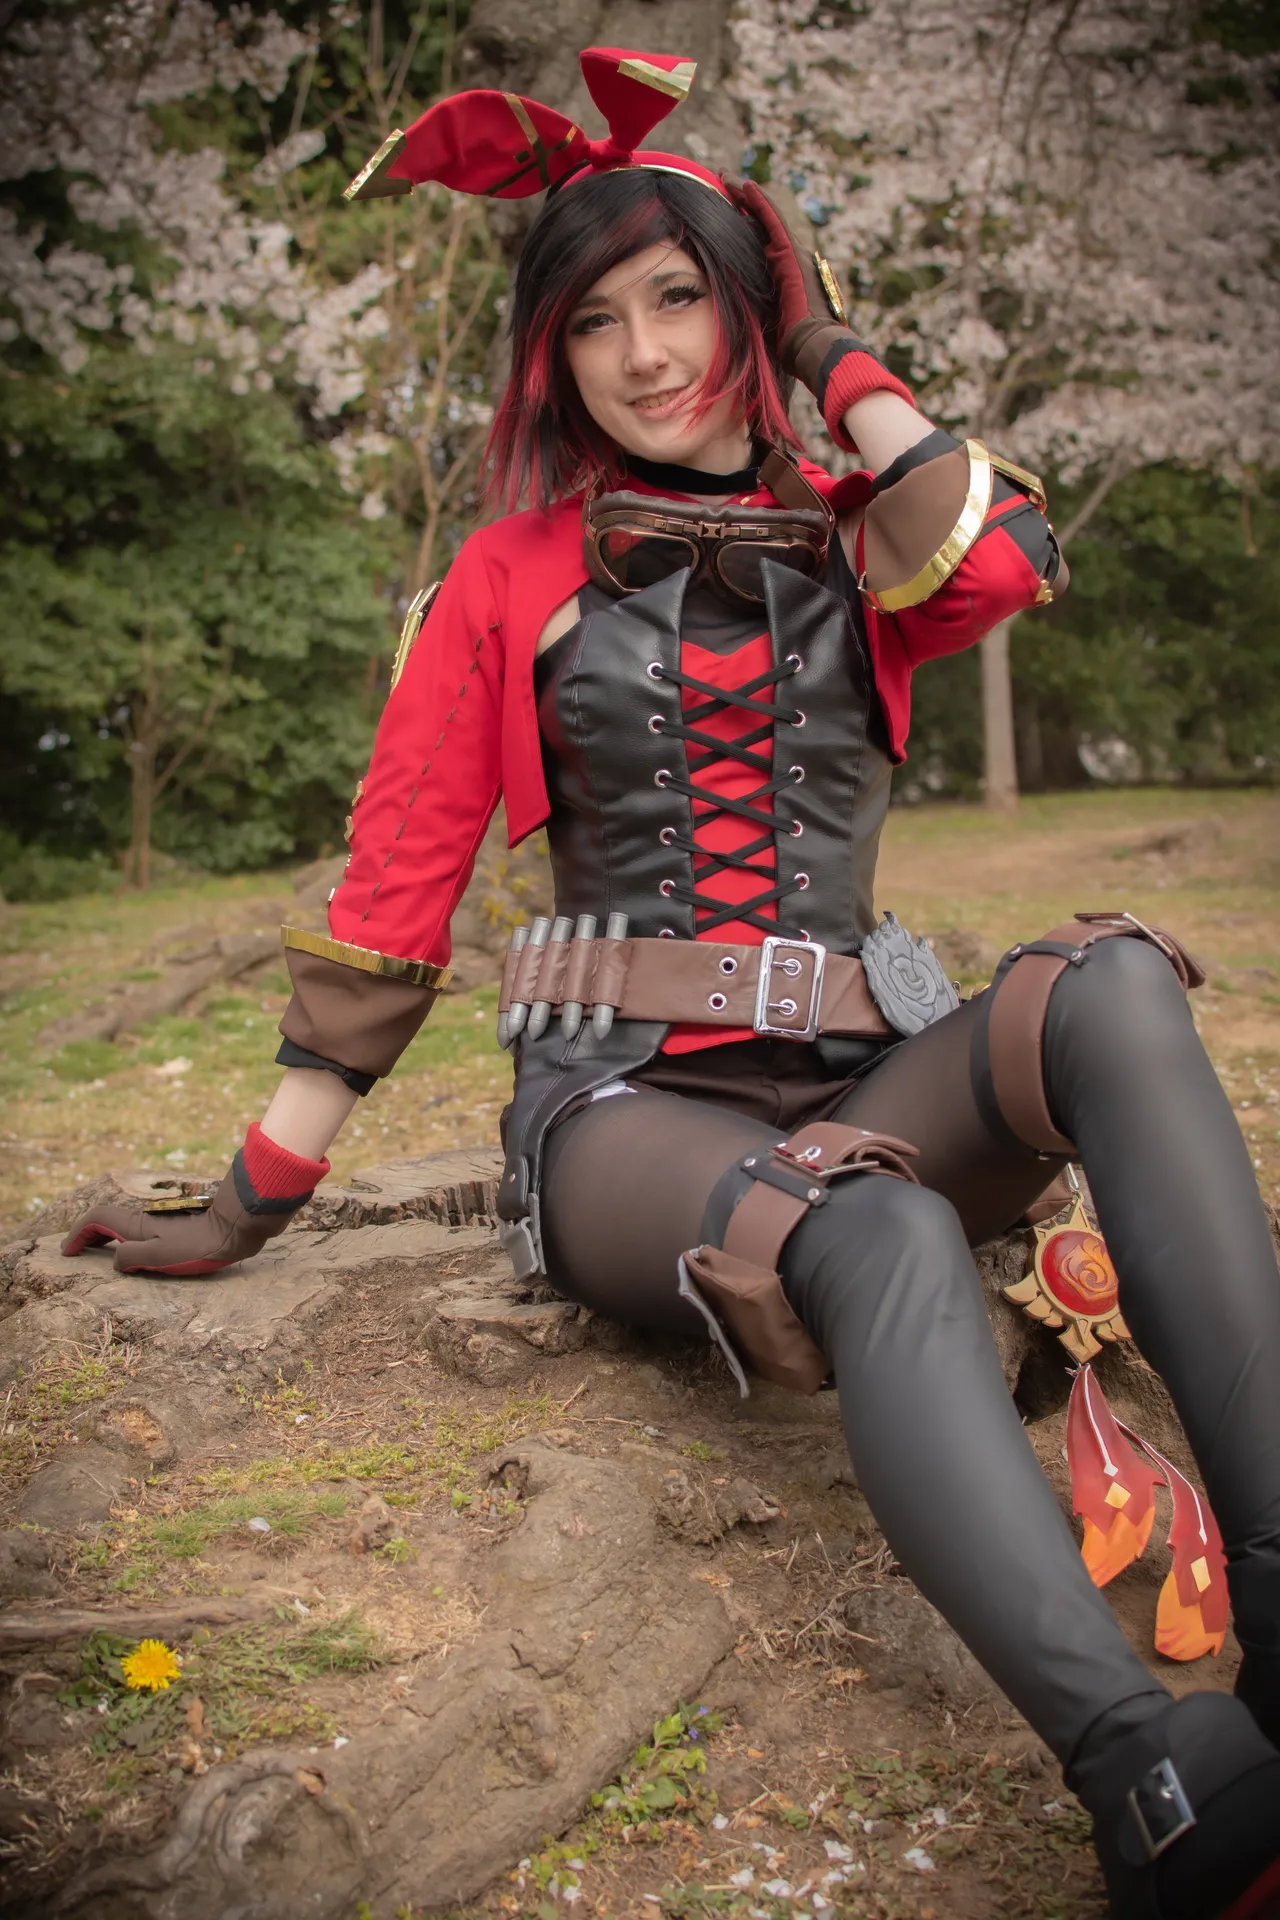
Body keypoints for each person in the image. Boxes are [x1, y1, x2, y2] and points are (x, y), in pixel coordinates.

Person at [62, 47, 1280, 1918]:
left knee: (1112, 982)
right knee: (869, 1226)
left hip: (872, 1076)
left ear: (744, 309)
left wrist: (829, 348)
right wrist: (248, 1198)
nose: (641, 355)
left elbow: (1003, 557)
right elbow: (396, 897)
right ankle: (1150, 1774)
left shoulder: (862, 543)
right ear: (547, 358)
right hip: (627, 1112)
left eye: (681, 299)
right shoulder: (503, 576)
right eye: (592, 322)